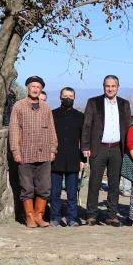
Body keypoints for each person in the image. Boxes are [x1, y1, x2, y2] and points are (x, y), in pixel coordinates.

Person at [81, 75, 132, 226]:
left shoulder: (124, 104)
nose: (110, 89)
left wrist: (128, 148)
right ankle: (91, 215)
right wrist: (85, 146)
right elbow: (86, 126)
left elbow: (128, 126)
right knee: (95, 182)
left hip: (117, 148)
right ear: (103, 87)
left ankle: (112, 215)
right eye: (107, 86)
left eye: (113, 86)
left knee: (114, 184)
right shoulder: (93, 102)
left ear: (118, 87)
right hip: (99, 148)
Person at [9, 76, 58, 228]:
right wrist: (15, 151)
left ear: (41, 89)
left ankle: (39, 216)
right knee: (27, 187)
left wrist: (53, 149)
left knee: (44, 187)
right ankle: (29, 217)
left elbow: (51, 129)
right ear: (27, 88)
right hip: (25, 153)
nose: (35, 89)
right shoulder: (19, 106)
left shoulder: (46, 107)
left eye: (38, 87)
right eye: (33, 86)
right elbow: (14, 130)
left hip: (44, 153)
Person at [50, 87, 84, 227]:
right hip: (55, 157)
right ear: (60, 97)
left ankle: (72, 218)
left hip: (73, 158)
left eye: (70, 96)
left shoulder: (80, 116)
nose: (68, 98)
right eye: (65, 96)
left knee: (72, 192)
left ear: (74, 98)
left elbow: (84, 139)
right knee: (55, 192)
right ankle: (55, 217)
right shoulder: (52, 114)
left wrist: (83, 159)